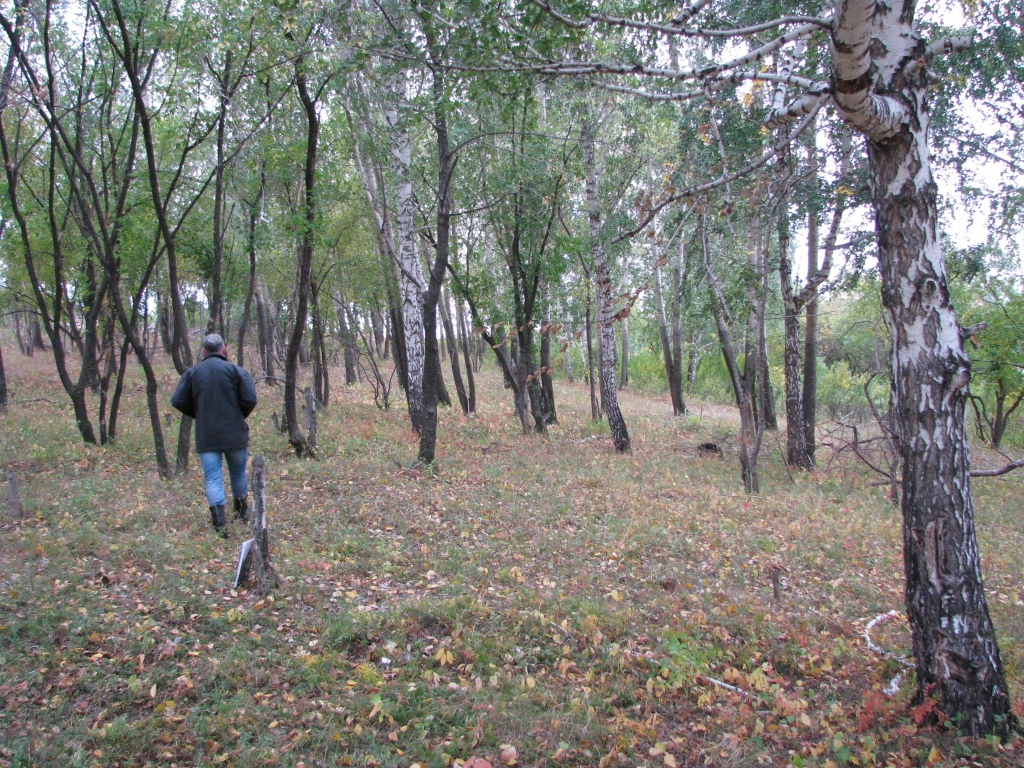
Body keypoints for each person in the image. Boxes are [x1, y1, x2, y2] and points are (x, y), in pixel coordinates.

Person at [171, 333, 257, 537]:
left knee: (212, 477)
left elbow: (177, 400)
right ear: (223, 350)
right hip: (235, 433)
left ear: (203, 351)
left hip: (207, 434)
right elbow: (250, 399)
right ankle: (241, 512)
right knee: (238, 472)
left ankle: (219, 525)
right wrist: (238, 415)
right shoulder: (235, 371)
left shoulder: (193, 373)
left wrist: (199, 414)